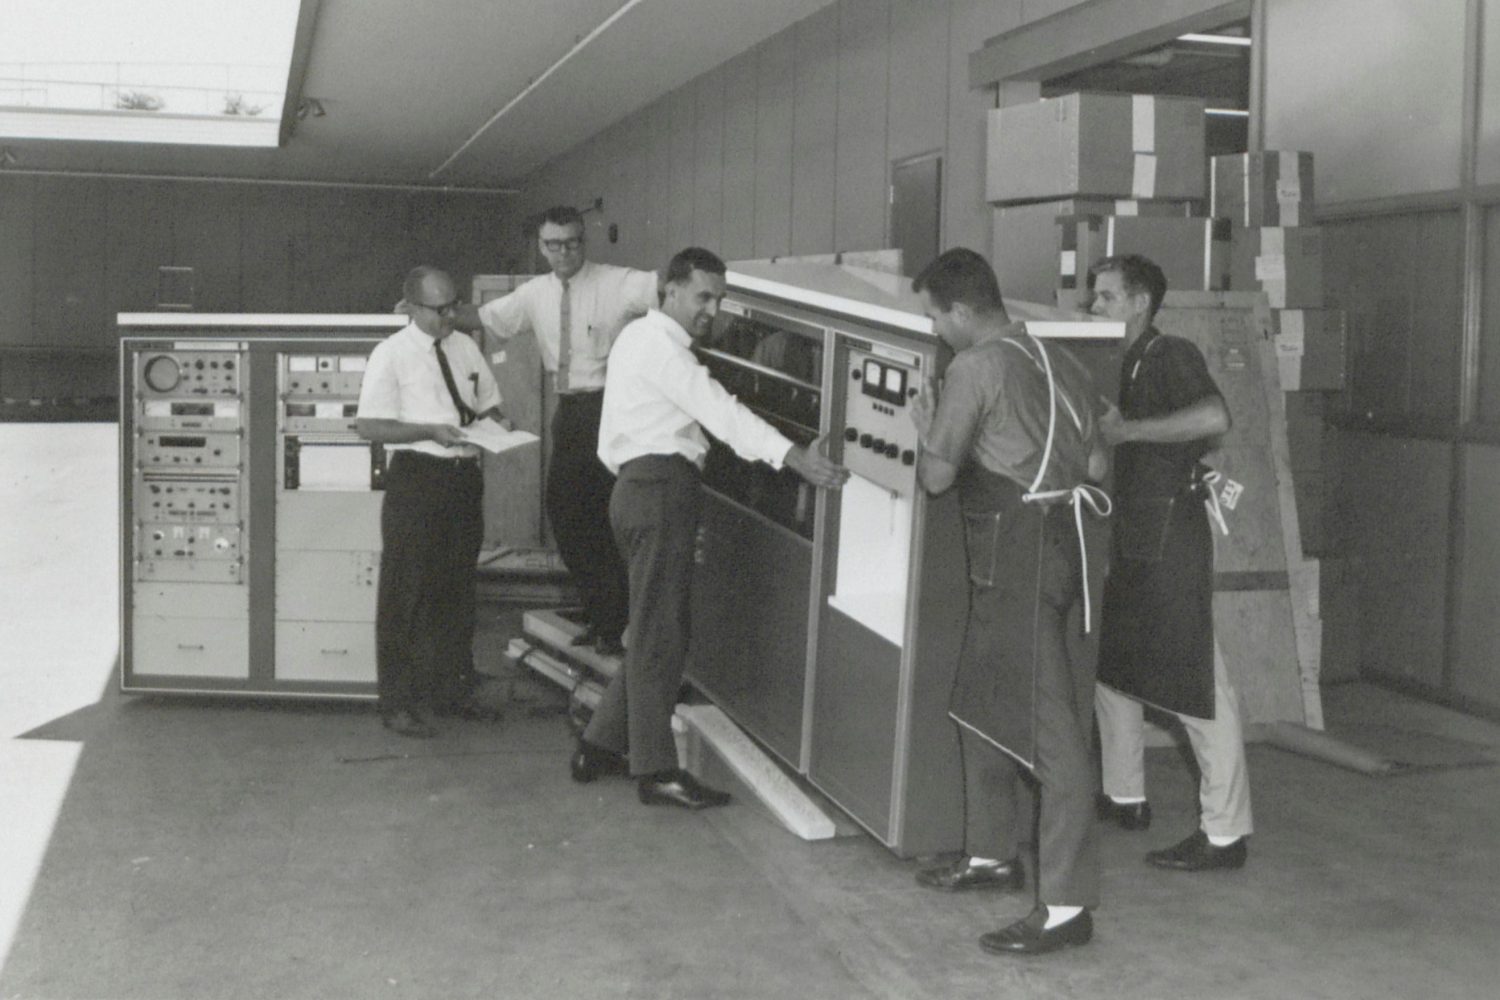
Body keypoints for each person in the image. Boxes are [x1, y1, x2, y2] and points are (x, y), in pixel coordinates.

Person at [571, 247, 849, 809]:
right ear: (670, 291)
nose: (712, 309)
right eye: (703, 296)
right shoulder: (660, 346)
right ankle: (656, 771)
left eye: (719, 298)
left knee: (652, 623)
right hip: (659, 489)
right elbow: (720, 411)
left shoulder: (638, 341)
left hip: (637, 487)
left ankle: (598, 745)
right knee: (661, 633)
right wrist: (795, 456)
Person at [909, 248, 1109, 956]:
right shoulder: (1057, 360)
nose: (936, 332)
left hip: (1016, 560)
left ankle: (1066, 906)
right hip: (1062, 547)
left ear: (962, 310)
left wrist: (925, 421)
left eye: (935, 317)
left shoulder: (974, 368)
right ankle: (992, 855)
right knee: (978, 700)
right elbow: (1096, 464)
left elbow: (936, 477)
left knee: (1056, 743)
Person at [1089, 253, 1254, 871]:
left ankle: (1225, 833)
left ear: (1138, 304)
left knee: (1197, 686)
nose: (1094, 307)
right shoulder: (1116, 365)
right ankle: (1125, 794)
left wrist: (1128, 432)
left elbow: (1215, 416)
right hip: (1129, 539)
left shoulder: (1170, 355)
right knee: (1112, 671)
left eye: (1105, 297)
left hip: (1169, 541)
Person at [453, 206, 657, 656]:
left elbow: (669, 289)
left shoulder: (615, 282)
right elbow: (484, 318)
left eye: (572, 242)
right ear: (541, 247)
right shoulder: (534, 294)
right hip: (569, 412)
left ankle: (614, 622)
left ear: (584, 241)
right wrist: (431, 314)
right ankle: (603, 612)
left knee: (605, 518)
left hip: (610, 408)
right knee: (567, 514)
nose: (563, 252)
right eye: (553, 244)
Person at [356, 266, 508, 738]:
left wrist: (500, 423)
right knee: (406, 593)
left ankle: (452, 691)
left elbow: (487, 404)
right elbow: (371, 427)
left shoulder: (464, 345)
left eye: (453, 306)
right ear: (412, 308)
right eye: (439, 310)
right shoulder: (391, 355)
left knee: (458, 591)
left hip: (463, 479)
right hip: (418, 479)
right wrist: (428, 431)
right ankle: (397, 702)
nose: (450, 316)